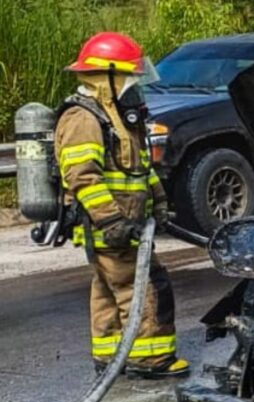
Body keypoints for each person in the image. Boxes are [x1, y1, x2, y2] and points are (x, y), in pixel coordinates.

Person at [55, 32, 189, 378]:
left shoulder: (116, 115)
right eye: (130, 78)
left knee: (108, 289)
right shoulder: (83, 119)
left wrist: (158, 204)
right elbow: (83, 177)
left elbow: (139, 169)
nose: (135, 86)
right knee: (144, 288)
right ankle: (150, 358)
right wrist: (111, 221)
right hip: (110, 226)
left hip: (124, 223)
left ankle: (111, 355)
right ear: (107, 78)